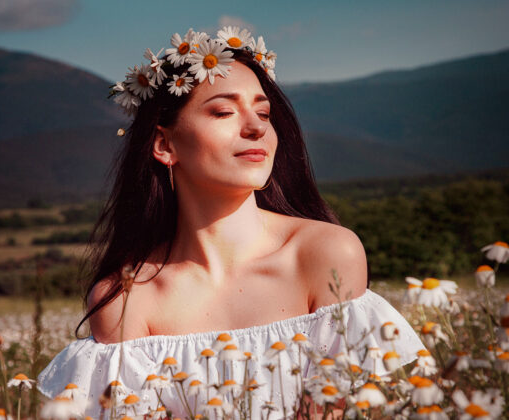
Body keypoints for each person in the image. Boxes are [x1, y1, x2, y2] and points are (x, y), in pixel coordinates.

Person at [37, 27, 425, 419]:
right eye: (223, 111)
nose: (256, 127)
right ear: (164, 145)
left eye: (263, 112)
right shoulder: (127, 301)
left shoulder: (325, 255)